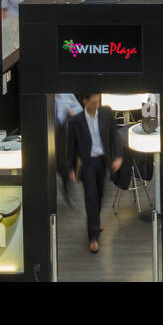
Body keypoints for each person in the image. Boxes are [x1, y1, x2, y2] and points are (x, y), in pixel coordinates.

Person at [67, 94, 122, 253]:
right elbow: (70, 146)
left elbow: (114, 135)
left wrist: (117, 156)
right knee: (91, 198)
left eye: (98, 101)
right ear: (85, 102)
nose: (96, 105)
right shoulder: (76, 121)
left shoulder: (106, 113)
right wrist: (70, 167)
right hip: (87, 164)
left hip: (103, 162)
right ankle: (93, 237)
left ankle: (95, 221)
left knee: (99, 196)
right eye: (93, 102)